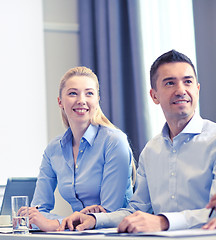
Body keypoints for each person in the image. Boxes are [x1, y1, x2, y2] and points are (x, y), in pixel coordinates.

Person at [58, 50, 216, 233]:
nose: (181, 90)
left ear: (197, 89)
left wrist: (163, 222)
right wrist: (94, 219)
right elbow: (136, 210)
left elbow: (213, 214)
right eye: (170, 83)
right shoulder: (151, 150)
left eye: (187, 82)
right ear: (154, 96)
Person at [23, 67, 134, 231]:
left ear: (97, 100)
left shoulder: (114, 142)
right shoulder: (54, 149)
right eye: (73, 93)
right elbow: (37, 212)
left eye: (89, 93)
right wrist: (67, 221)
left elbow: (109, 213)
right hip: (77, 234)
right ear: (60, 102)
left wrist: (56, 223)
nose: (81, 100)